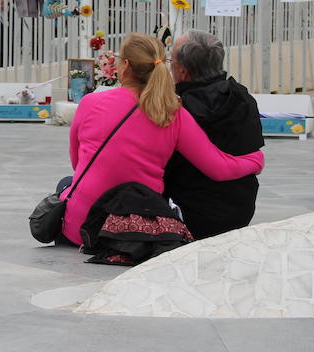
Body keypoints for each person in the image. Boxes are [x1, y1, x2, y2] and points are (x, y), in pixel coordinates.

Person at [57, 33, 264, 247]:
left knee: (66, 183)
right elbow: (218, 167)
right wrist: (255, 160)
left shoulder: (90, 102)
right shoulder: (173, 112)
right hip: (139, 230)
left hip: (83, 230)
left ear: (125, 65)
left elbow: (78, 164)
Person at [163, 30, 263, 240]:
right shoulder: (242, 98)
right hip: (239, 209)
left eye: (171, 60)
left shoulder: (177, 108)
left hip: (187, 214)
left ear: (182, 70)